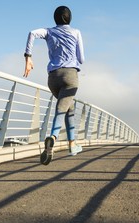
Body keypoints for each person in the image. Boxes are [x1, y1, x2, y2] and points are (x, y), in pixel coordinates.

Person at [23, 6, 85, 165]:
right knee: (61, 109)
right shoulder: (76, 32)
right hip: (70, 76)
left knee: (68, 107)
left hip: (53, 78)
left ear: (55, 18)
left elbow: (32, 33)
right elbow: (82, 59)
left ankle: (72, 145)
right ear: (69, 18)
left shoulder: (49, 31)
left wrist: (28, 57)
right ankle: (52, 138)